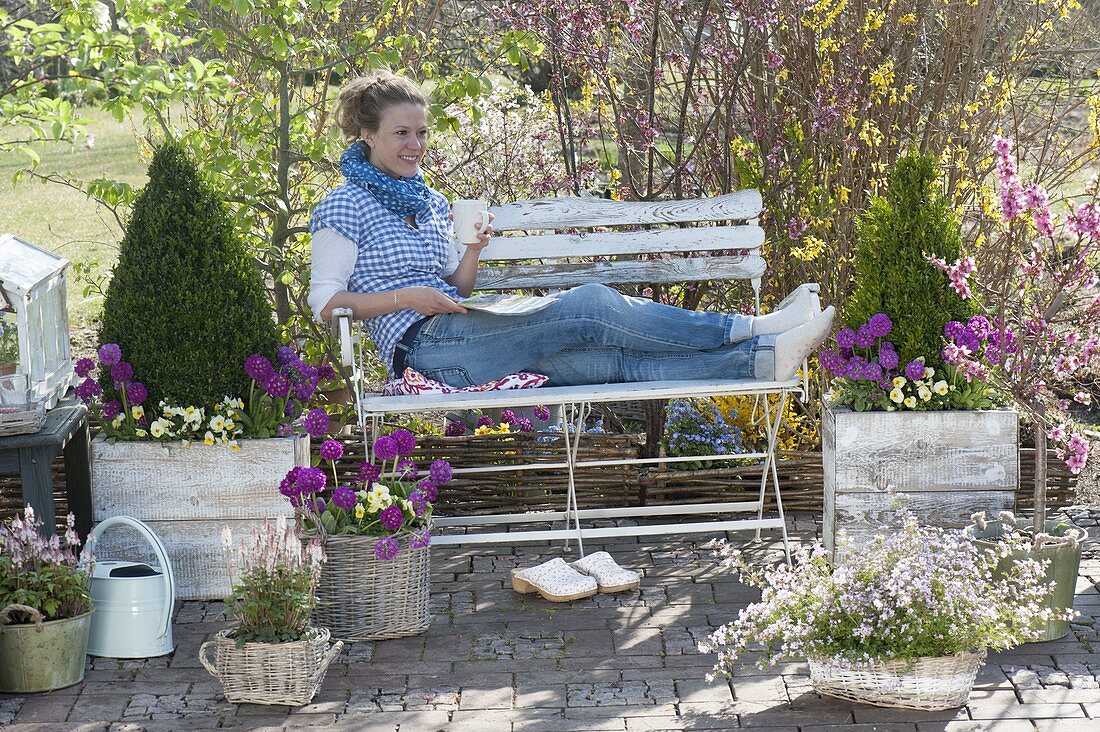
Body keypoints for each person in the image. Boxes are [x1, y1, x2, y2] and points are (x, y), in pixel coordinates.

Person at [309, 73, 835, 388]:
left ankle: (762, 361)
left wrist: (471, 250)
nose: (415, 145)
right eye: (401, 133)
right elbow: (326, 304)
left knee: (610, 361)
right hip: (424, 351)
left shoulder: (428, 199)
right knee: (590, 304)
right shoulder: (344, 205)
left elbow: (458, 288)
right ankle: (754, 328)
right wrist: (408, 297)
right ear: (366, 135)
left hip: (468, 331)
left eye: (421, 133)